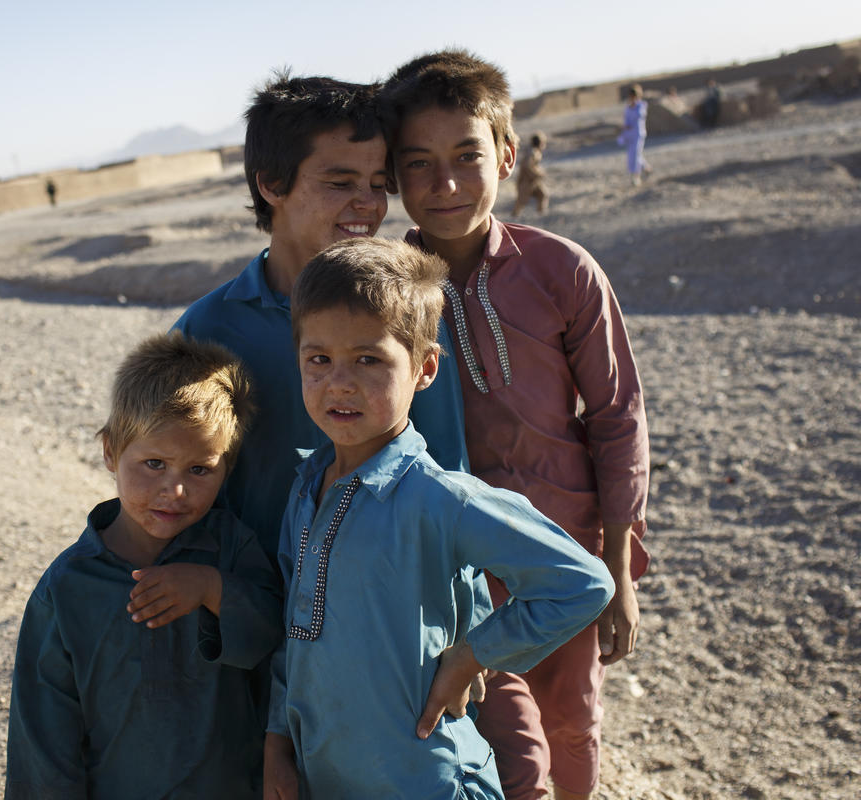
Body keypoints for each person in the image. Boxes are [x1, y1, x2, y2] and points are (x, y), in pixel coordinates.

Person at [379, 50, 651, 800]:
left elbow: (616, 420)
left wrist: (620, 575)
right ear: (397, 177)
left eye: (468, 157)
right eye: (420, 165)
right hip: (452, 564)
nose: (447, 185)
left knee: (572, 726)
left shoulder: (563, 272)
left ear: (506, 155)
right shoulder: (387, 291)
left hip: (563, 554)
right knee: (508, 747)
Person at [264, 237, 615, 799]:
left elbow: (582, 583)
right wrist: (277, 743)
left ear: (424, 368)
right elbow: (296, 629)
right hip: (327, 776)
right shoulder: (306, 489)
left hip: (426, 780)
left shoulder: (441, 498)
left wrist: (474, 654)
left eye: (369, 359)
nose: (340, 382)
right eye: (319, 359)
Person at [172, 72, 470, 562]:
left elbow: (449, 474)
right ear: (271, 184)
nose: (369, 204)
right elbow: (176, 485)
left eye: (378, 184)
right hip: (255, 613)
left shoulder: (403, 312)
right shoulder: (207, 330)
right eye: (340, 182)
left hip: (384, 605)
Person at [4, 331, 282, 799]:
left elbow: (278, 641)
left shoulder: (231, 549)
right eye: (154, 463)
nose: (174, 491)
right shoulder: (68, 588)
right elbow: (42, 735)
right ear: (111, 451)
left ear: (227, 468)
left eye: (199, 470)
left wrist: (214, 590)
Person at [619, 84, 650, 185]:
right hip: (629, 134)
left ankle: (636, 176)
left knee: (636, 155)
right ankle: (646, 168)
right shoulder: (628, 107)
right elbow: (626, 120)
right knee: (632, 155)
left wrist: (635, 105)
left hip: (638, 133)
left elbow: (640, 116)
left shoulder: (641, 105)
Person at [513, 132, 548, 217]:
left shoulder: (535, 152)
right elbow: (526, 165)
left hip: (534, 181)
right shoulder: (532, 152)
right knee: (521, 201)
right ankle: (514, 216)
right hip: (526, 181)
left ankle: (541, 215)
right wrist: (536, 173)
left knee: (543, 194)